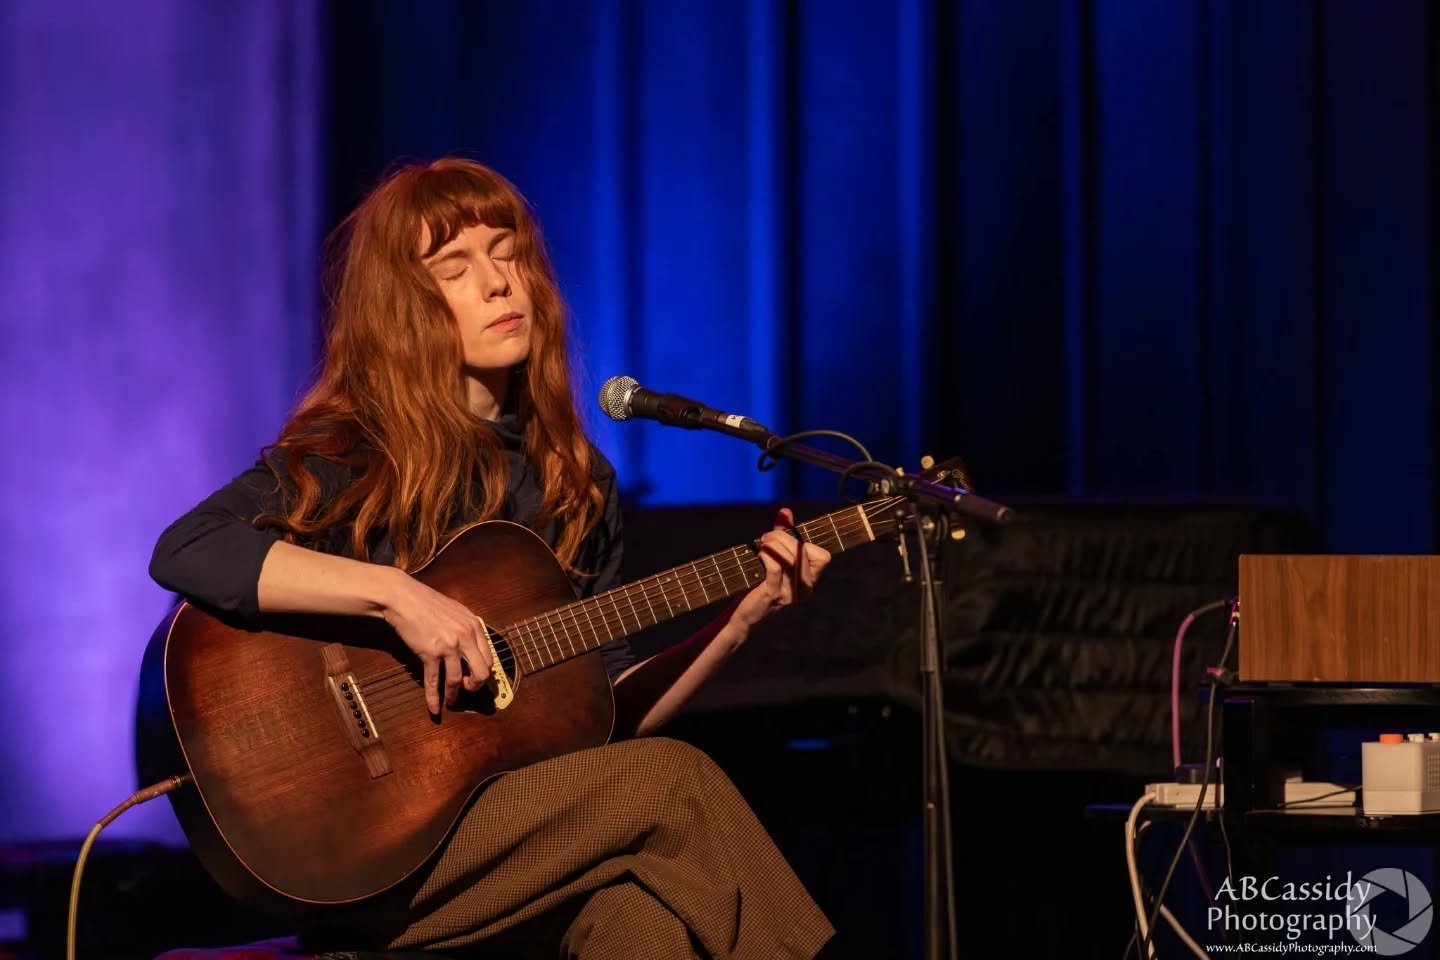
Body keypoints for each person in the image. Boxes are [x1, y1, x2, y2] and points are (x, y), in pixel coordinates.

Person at [148, 157, 835, 959]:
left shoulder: (574, 482)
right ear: (405, 307)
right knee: (674, 782)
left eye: (507, 254)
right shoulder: (354, 454)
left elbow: (606, 719)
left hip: (519, 837)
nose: (499, 283)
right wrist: (398, 597)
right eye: (457, 266)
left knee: (637, 916)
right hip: (374, 854)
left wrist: (738, 621)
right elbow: (188, 548)